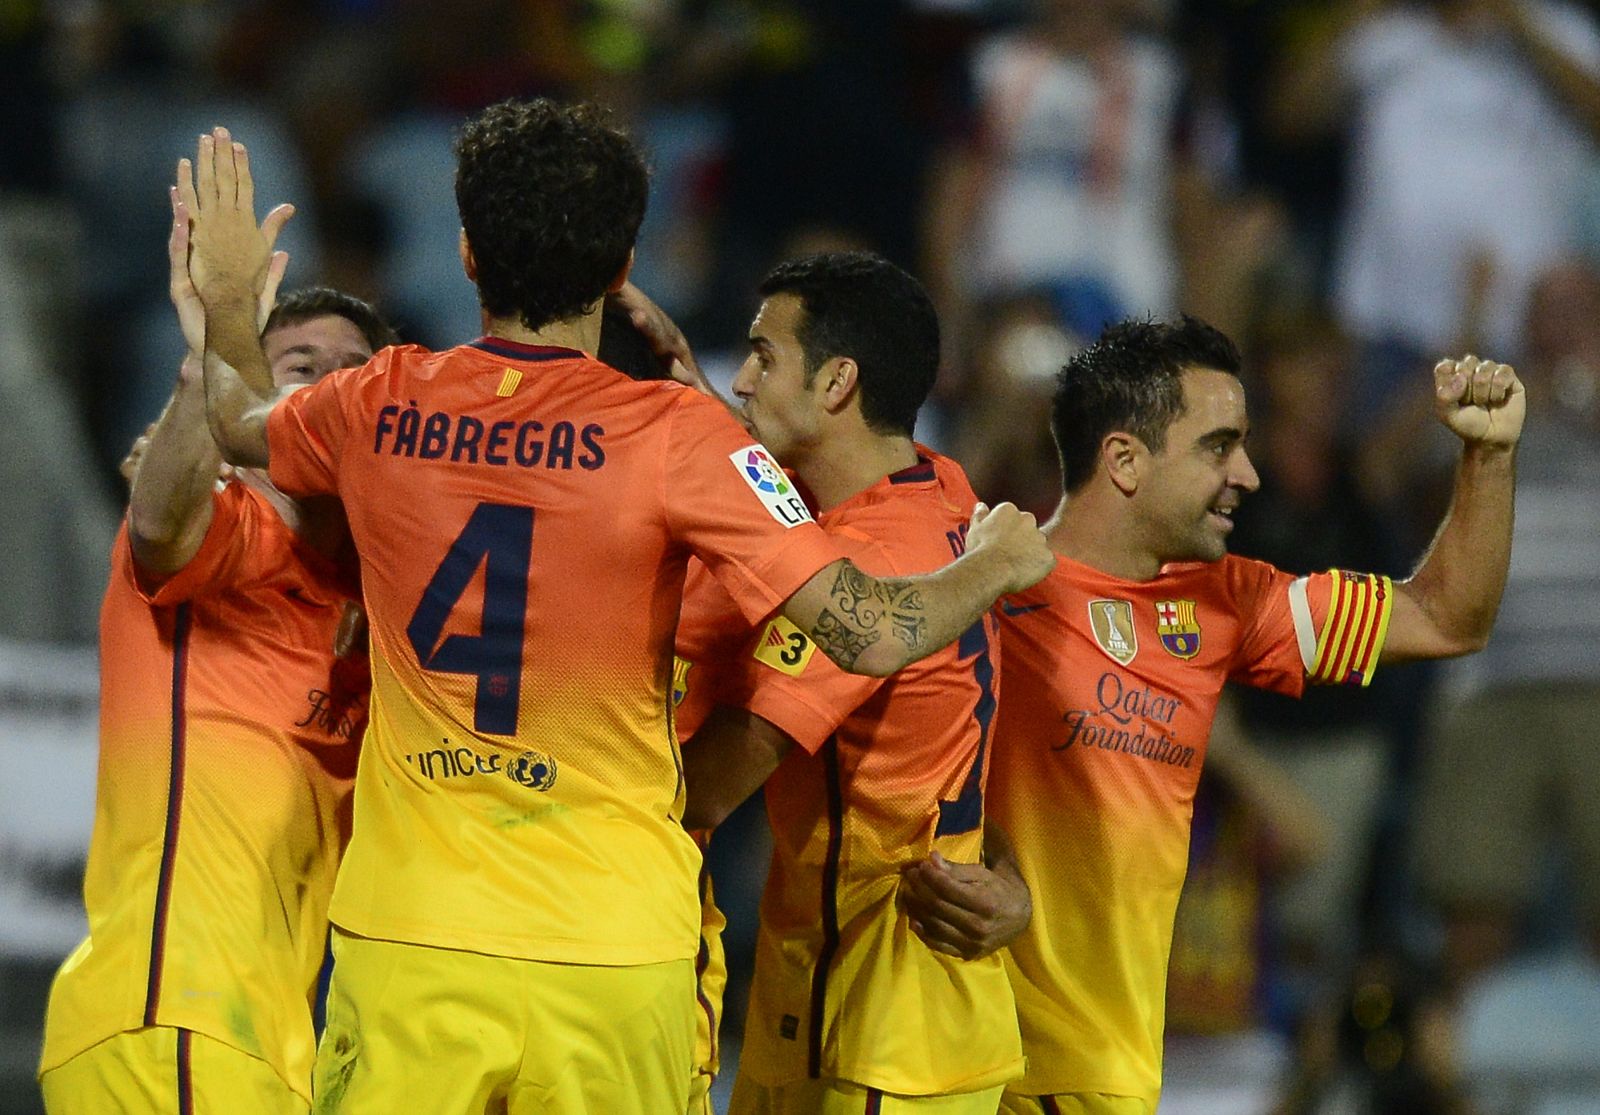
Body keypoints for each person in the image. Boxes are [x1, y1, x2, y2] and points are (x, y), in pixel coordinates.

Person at [178, 100, 1053, 1115]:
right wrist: (996, 558)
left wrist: (231, 297)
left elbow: (238, 419)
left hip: (413, 933)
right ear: (620, 260)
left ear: (466, 252)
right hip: (612, 944)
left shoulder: (376, 400)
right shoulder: (681, 437)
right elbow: (869, 627)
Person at [976, 316, 1521, 1114]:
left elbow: (1447, 619)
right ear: (1125, 459)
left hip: (1117, 1080)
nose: (1250, 474)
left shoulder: (1227, 600)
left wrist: (1492, 456)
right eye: (1218, 445)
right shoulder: (981, 591)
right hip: (973, 1072)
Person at [37, 190, 396, 1113]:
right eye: (296, 364)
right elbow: (161, 518)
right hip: (173, 1018)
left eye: (353, 372)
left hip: (268, 1044)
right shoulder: (227, 536)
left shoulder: (375, 601)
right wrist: (214, 347)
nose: (321, 386)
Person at [670, 252, 1032, 1114]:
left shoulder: (864, 578)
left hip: (876, 1022)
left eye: (764, 356)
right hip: (867, 1004)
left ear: (837, 383)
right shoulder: (940, 489)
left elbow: (711, 786)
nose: (742, 376)